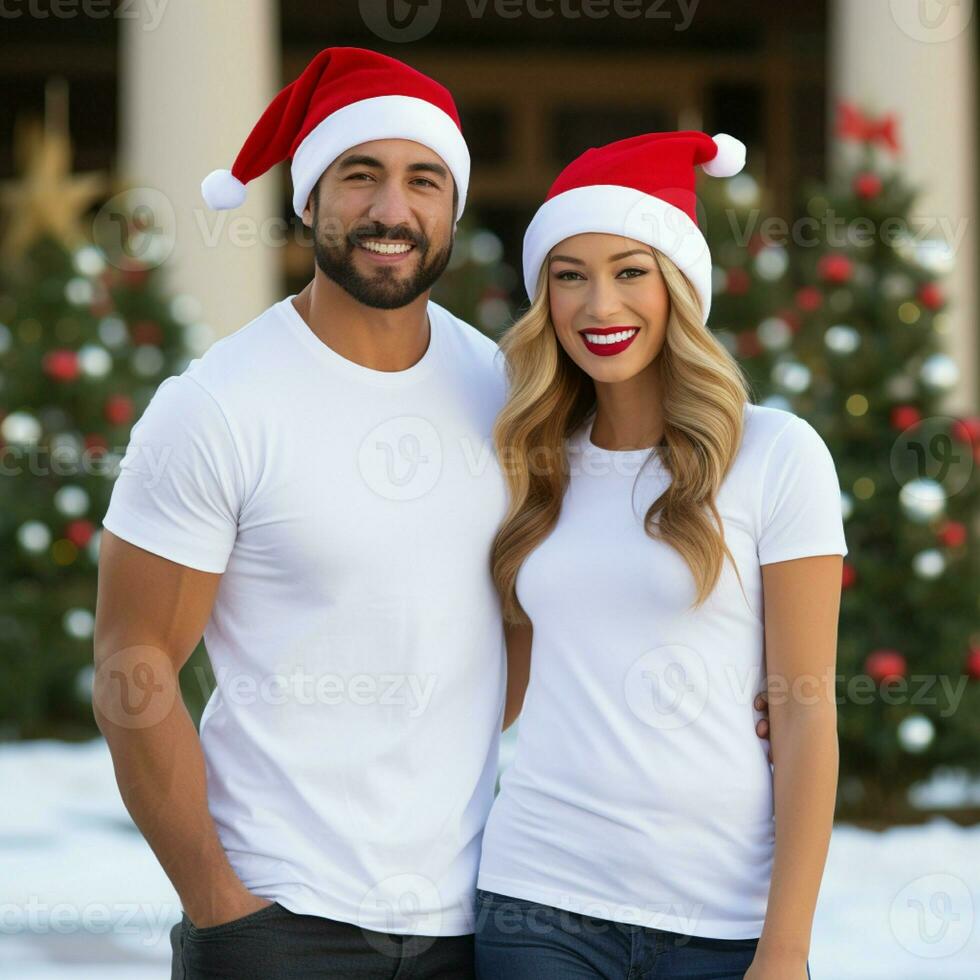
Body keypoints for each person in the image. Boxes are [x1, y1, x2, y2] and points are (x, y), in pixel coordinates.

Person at [94, 46, 503, 980]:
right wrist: (224, 909)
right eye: (359, 176)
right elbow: (133, 658)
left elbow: (552, 607)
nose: (392, 211)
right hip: (280, 923)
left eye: (422, 180)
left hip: (482, 920)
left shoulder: (509, 389)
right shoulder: (218, 404)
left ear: (453, 206)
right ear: (309, 199)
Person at [474, 132, 846, 980]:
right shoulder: (528, 459)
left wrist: (785, 948)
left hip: (721, 914)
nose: (600, 304)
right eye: (569, 275)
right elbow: (500, 682)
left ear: (678, 284)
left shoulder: (778, 455)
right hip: (539, 899)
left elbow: (803, 710)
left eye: (630, 270)